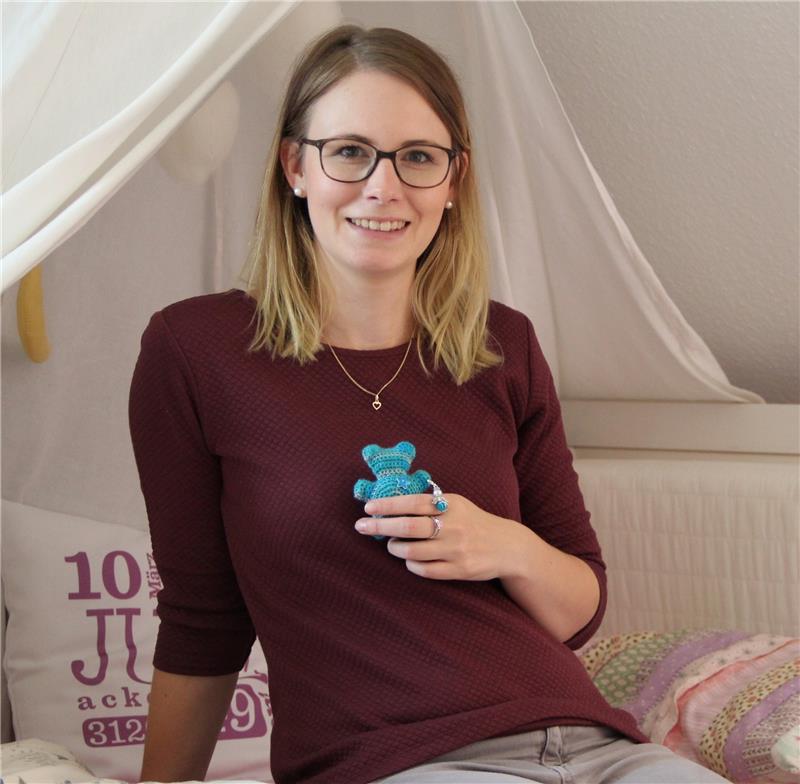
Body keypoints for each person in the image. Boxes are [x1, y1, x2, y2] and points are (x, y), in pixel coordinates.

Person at [128, 24, 731, 784]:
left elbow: (578, 606)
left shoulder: (501, 345)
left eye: (417, 157)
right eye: (349, 152)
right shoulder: (197, 349)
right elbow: (203, 620)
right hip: (395, 760)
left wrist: (499, 544)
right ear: (295, 167)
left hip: (599, 745)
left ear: (453, 182)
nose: (384, 187)